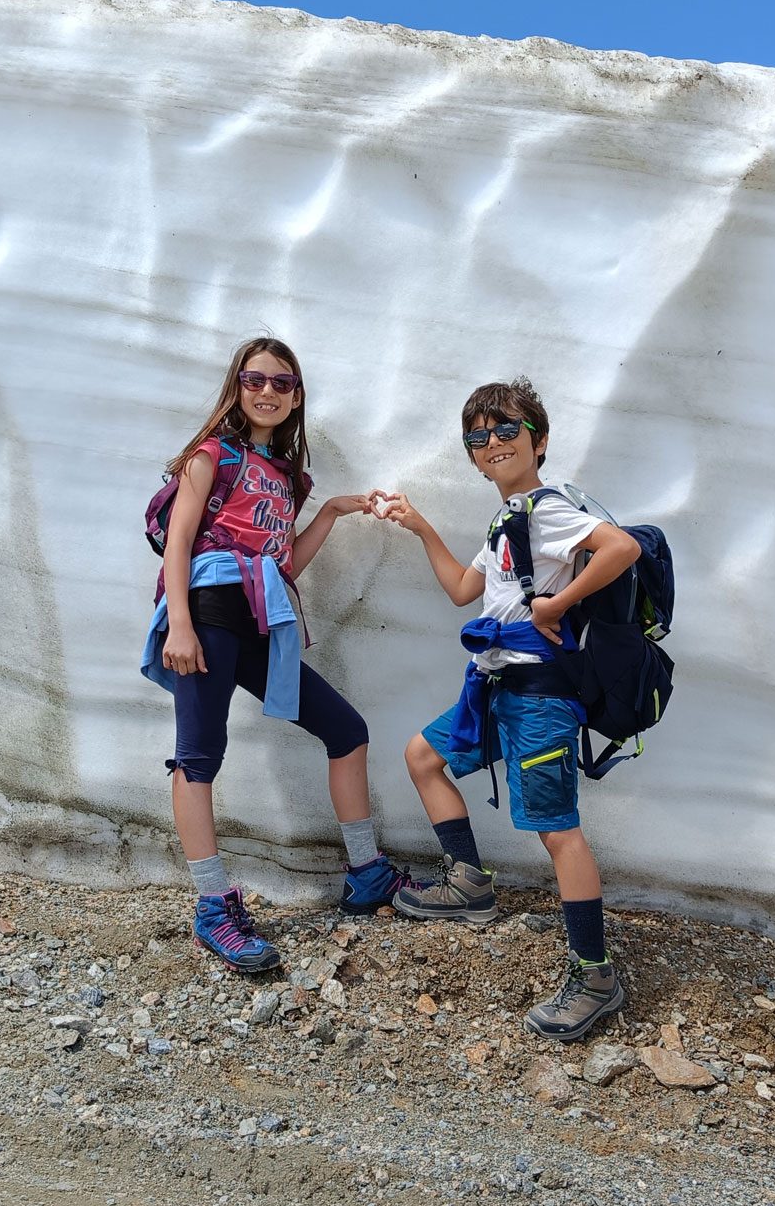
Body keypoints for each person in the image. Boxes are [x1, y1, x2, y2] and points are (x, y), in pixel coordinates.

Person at [377, 379, 643, 1041]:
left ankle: (596, 976)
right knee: (424, 757)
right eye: (478, 436)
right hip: (497, 689)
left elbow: (621, 547)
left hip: (541, 697)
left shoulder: (547, 508)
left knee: (556, 830)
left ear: (539, 440)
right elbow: (465, 589)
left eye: (506, 431)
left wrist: (556, 603)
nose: (491, 442)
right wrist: (421, 527)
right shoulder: (508, 519)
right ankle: (470, 882)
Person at [143, 337, 408, 975]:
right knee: (199, 755)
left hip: (263, 619)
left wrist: (335, 512)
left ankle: (366, 871)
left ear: (296, 397)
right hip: (207, 614)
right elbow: (179, 542)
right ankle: (213, 907)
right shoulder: (210, 457)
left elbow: (283, 562)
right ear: (237, 387)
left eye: (282, 383)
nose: (268, 392)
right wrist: (179, 623)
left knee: (346, 730)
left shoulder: (286, 475)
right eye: (255, 379)